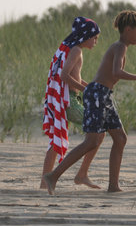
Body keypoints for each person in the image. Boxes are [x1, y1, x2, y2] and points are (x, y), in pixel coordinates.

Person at [44, 10, 136, 195]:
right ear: (127, 30)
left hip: (104, 95)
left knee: (120, 138)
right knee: (92, 141)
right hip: (97, 95)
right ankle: (53, 176)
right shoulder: (119, 47)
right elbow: (117, 71)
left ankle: (113, 186)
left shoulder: (120, 47)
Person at [41, 17, 102, 190]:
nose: (96, 41)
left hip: (62, 99)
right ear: (85, 36)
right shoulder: (76, 51)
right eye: (95, 37)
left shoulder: (70, 49)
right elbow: (64, 77)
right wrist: (87, 91)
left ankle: (43, 185)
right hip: (69, 102)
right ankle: (82, 174)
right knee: (100, 129)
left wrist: (91, 87)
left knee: (54, 143)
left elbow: (75, 78)